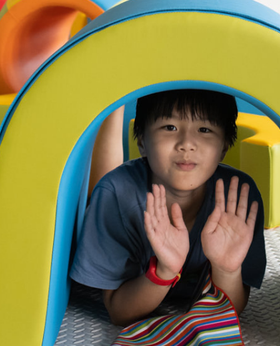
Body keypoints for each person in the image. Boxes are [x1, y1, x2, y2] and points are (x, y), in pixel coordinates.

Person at [70, 89, 266, 327]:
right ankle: (114, 105)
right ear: (141, 141)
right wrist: (164, 271)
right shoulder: (115, 195)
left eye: (204, 130)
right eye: (170, 127)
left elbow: (231, 310)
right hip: (112, 207)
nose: (186, 144)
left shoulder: (237, 200)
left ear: (224, 147)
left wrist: (227, 270)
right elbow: (119, 313)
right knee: (97, 192)